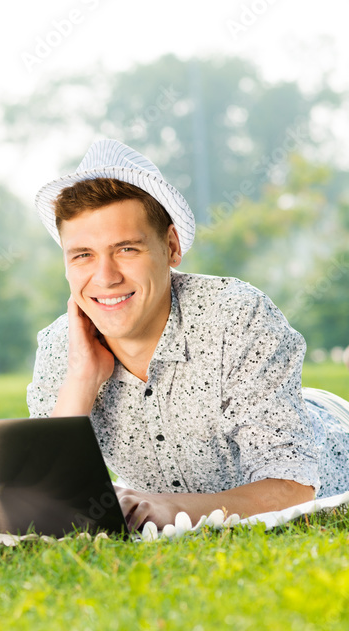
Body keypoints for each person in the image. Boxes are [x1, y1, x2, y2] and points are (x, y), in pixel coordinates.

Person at [28, 138, 349, 532]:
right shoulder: (62, 345)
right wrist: (81, 379)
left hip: (331, 432)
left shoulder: (237, 316)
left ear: (172, 247)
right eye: (83, 255)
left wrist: (173, 510)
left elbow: (294, 490)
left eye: (127, 249)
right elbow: (43, 497)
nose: (106, 277)